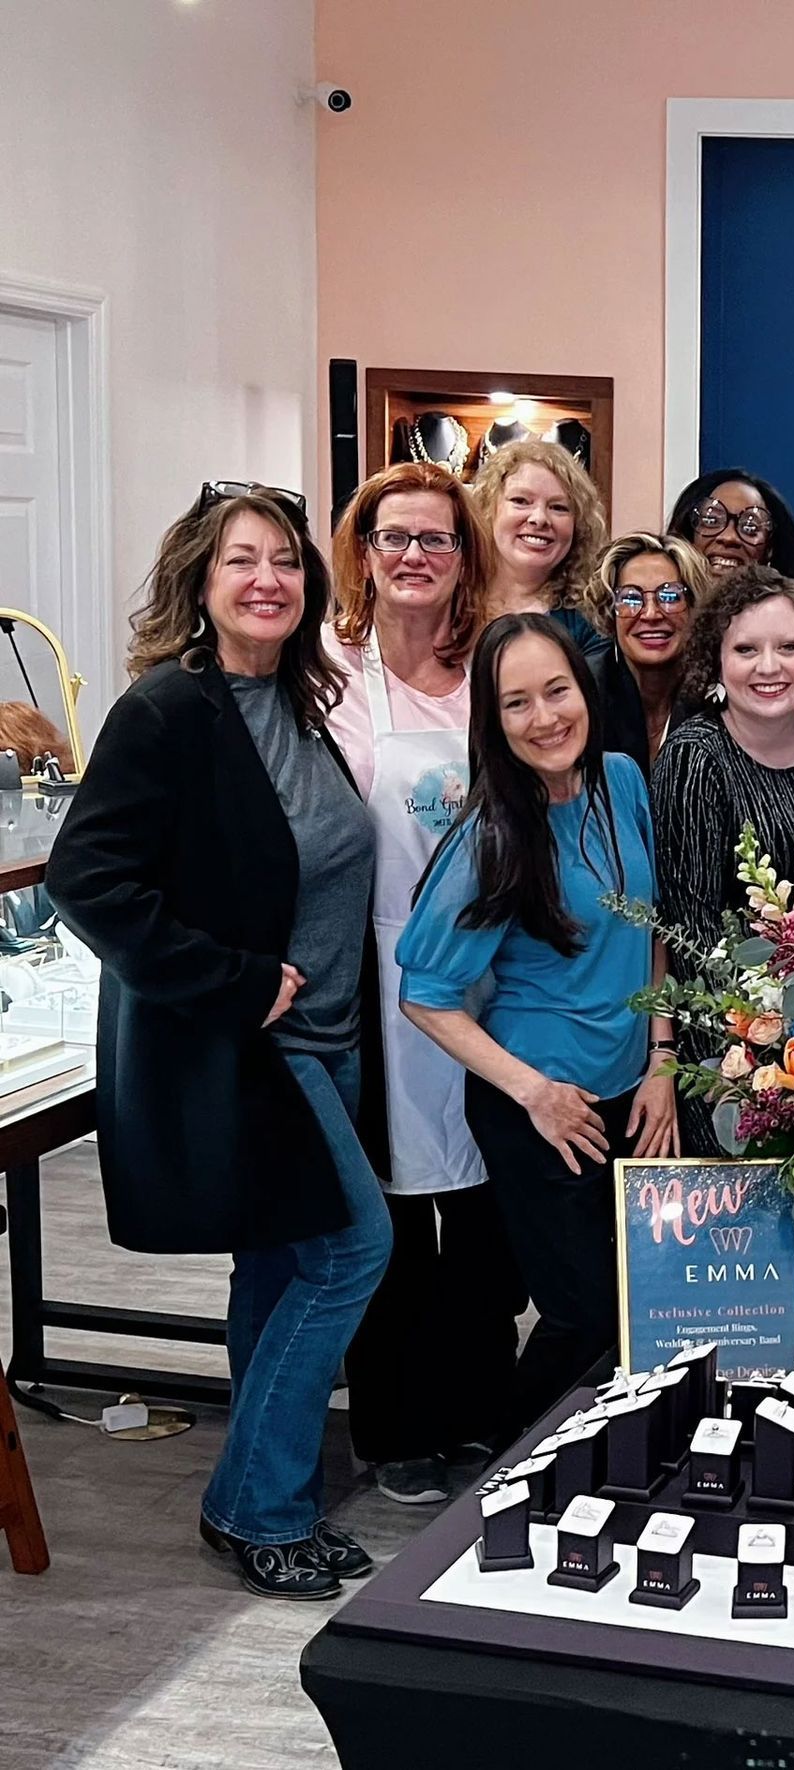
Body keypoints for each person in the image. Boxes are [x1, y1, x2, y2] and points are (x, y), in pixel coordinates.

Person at [47, 482, 385, 1600]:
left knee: (284, 1255)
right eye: (244, 561)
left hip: (328, 1037)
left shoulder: (293, 702)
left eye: (287, 562)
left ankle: (268, 1491)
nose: (268, 581)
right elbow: (86, 880)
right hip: (250, 1045)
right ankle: (253, 1503)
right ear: (203, 579)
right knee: (351, 1251)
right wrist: (235, 981)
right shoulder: (167, 710)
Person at [398, 614, 675, 1430]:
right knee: (582, 1316)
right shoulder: (493, 834)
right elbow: (424, 994)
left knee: (628, 1310)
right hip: (544, 1109)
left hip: (628, 1091)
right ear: (493, 721)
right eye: (516, 703)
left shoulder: (622, 778)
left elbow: (647, 928)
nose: (545, 717)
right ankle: (506, 1472)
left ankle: (590, 1475)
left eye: (556, 691)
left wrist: (660, 1059)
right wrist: (535, 1093)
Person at [325, 461, 526, 1506]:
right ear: (363, 553)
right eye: (393, 537)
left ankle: (479, 1410)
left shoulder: (493, 668)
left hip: (488, 971)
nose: (413, 556)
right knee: (387, 1210)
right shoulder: (326, 675)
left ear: (464, 560)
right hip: (364, 969)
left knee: (486, 1203)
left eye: (435, 540)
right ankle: (394, 1421)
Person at [653, 567, 794, 955]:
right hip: (734, 1003)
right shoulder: (693, 758)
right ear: (716, 662)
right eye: (746, 649)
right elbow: (691, 930)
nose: (768, 667)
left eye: (789, 647)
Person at [588, 528, 711, 777]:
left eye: (669, 596)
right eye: (631, 599)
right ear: (610, 612)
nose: (651, 614)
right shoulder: (584, 689)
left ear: (694, 606)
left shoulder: (717, 693)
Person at [471, 438, 609, 656]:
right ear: (488, 509)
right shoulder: (447, 602)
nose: (539, 518)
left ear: (578, 526)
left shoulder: (591, 625)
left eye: (558, 507)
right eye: (521, 501)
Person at [668, 468, 794, 588]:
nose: (729, 537)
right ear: (686, 536)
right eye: (712, 520)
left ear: (770, 549)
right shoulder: (654, 615)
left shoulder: (788, 620)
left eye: (749, 527)